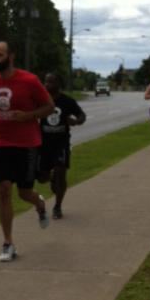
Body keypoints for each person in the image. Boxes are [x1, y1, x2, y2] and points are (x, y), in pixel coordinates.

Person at [0, 41, 54, 262]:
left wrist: (28, 116)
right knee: (3, 189)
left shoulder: (29, 80)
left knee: (24, 193)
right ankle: (8, 243)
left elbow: (48, 106)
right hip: (1, 142)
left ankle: (39, 203)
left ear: (11, 56)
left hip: (27, 144)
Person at [37, 73, 86, 219]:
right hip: (43, 143)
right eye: (45, 82)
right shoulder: (41, 100)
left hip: (61, 143)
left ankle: (57, 206)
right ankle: (50, 177)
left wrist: (75, 121)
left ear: (59, 84)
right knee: (41, 177)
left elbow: (82, 115)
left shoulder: (67, 101)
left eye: (51, 82)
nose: (47, 85)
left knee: (61, 172)